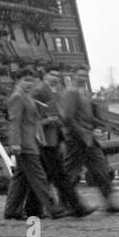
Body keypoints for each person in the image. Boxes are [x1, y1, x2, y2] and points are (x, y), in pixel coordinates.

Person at [58, 75, 119, 214]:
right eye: (80, 74)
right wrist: (80, 132)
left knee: (101, 170)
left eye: (85, 74)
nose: (83, 77)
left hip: (89, 139)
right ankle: (65, 204)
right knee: (71, 173)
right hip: (76, 140)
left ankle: (109, 203)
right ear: (74, 74)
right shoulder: (71, 93)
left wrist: (95, 122)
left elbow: (85, 115)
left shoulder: (83, 93)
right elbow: (67, 117)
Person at [2, 72, 63, 221]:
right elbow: (14, 121)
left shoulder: (27, 96)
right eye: (26, 80)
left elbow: (33, 121)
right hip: (24, 145)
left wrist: (40, 136)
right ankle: (53, 208)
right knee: (39, 177)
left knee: (20, 180)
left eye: (31, 81)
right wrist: (15, 143)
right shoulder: (18, 97)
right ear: (18, 81)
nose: (29, 84)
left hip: (30, 142)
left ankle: (12, 211)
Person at [39, 71, 91, 217]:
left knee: (47, 176)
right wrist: (46, 121)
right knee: (57, 176)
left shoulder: (58, 92)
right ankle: (74, 207)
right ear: (45, 76)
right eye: (52, 74)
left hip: (54, 139)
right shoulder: (39, 91)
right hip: (43, 140)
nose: (55, 77)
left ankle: (30, 209)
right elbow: (31, 115)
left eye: (57, 74)